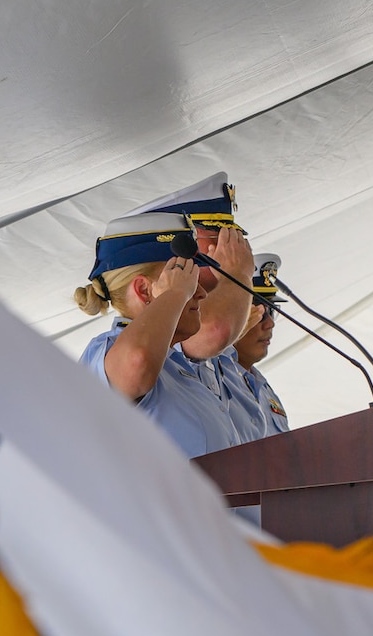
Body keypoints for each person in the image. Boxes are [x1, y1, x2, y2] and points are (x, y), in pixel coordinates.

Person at [75, 212, 242, 458]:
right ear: (144, 290)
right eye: (187, 280)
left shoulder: (175, 367)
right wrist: (173, 295)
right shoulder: (108, 349)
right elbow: (136, 361)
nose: (201, 294)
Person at [124, 174, 257, 409]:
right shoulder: (158, 334)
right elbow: (215, 329)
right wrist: (238, 274)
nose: (234, 248)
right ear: (183, 245)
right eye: (218, 236)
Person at [216, 253, 290, 441]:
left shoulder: (264, 388)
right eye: (257, 312)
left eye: (272, 311)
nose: (270, 324)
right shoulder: (212, 380)